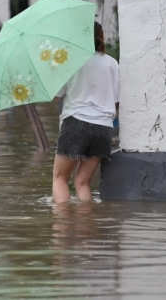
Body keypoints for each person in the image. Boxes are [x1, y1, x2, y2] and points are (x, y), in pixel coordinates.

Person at [52, 22, 119, 203]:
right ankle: (86, 226)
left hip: (76, 123)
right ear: (101, 35)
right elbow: (116, 99)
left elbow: (57, 94)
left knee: (60, 179)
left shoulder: (70, 61)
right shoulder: (112, 63)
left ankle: (62, 229)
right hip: (103, 128)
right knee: (83, 183)